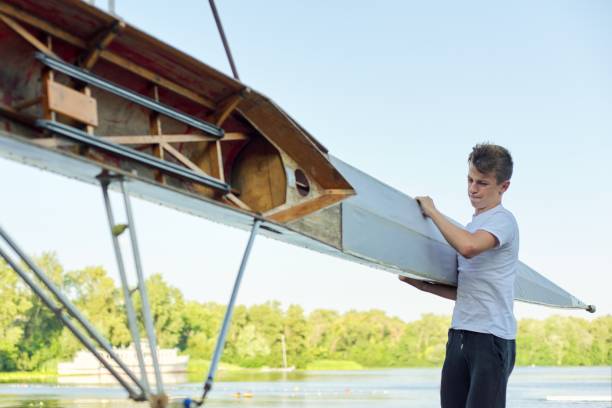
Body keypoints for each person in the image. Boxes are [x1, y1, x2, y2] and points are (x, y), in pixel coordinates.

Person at [399, 143, 518, 408]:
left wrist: (432, 211)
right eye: (470, 179)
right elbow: (466, 291)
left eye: (483, 183)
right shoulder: (471, 226)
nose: (473, 189)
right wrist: (423, 286)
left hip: (492, 339)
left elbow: (468, 248)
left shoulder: (502, 221)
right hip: (460, 335)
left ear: (504, 186)